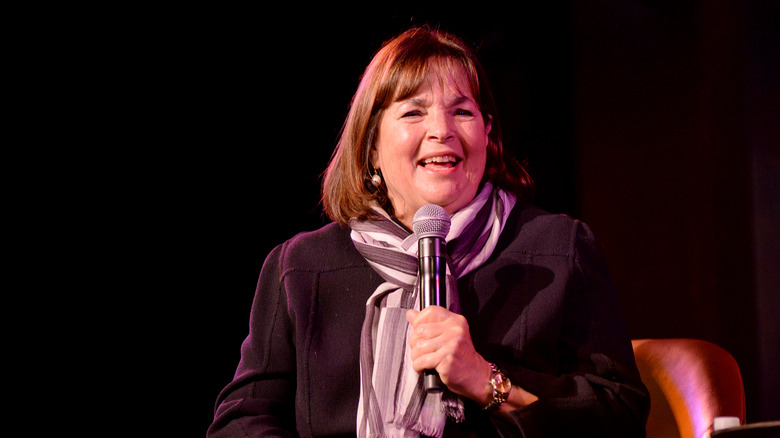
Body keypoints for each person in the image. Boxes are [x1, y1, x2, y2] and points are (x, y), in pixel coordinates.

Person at [208, 26, 649, 437]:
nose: (442, 131)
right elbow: (242, 421)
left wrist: (487, 381)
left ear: (488, 133)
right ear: (371, 145)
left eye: (461, 111)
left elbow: (622, 414)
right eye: (413, 112)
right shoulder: (302, 267)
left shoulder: (558, 247)